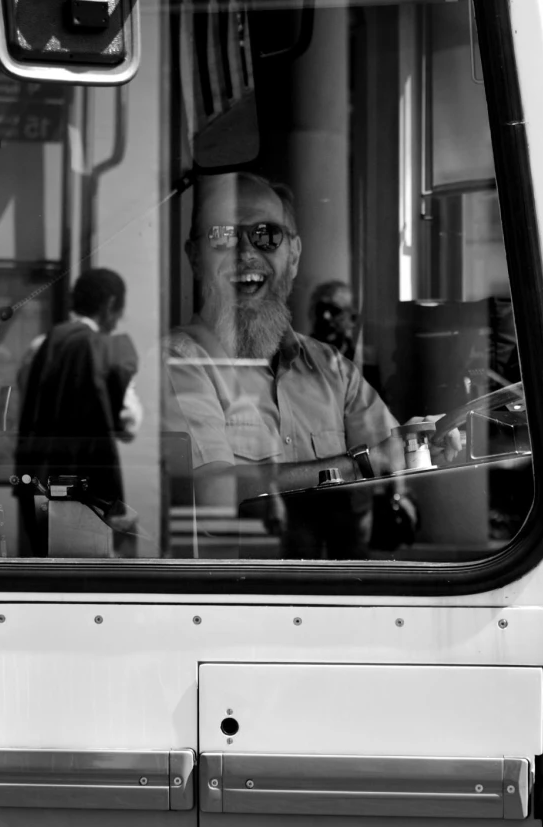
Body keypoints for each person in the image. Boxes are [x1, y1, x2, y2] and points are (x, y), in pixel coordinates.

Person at [164, 173, 411, 557]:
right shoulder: (181, 361)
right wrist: (361, 463)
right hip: (233, 599)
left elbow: (397, 460)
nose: (245, 252)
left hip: (338, 593)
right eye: (222, 236)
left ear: (293, 256)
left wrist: (432, 444)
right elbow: (213, 493)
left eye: (266, 235)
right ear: (195, 259)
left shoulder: (334, 370)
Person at [16, 267, 140, 552]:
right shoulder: (106, 351)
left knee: (42, 567)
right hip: (88, 490)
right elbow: (128, 425)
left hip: (36, 483)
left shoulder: (39, 347)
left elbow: (25, 408)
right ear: (110, 305)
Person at [308, 279, 358, 362]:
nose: (326, 316)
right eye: (321, 308)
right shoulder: (307, 348)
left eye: (335, 310)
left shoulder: (347, 349)